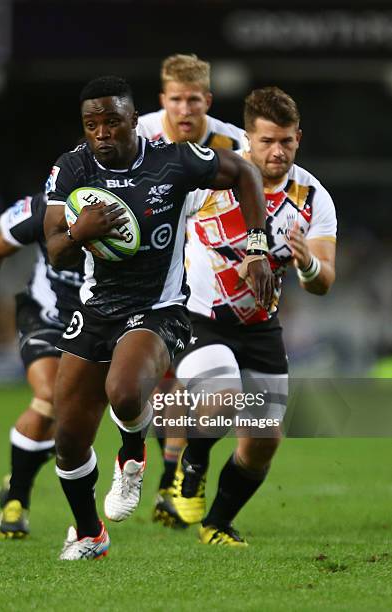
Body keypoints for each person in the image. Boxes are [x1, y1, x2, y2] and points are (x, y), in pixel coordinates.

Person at [43, 74, 274, 560]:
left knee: (124, 392)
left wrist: (257, 249)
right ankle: (89, 534)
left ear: (134, 120)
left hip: (159, 308)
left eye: (112, 122)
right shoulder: (71, 169)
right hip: (97, 306)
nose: (101, 133)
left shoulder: (174, 160)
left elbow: (246, 173)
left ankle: (132, 451)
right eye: (91, 125)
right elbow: (56, 251)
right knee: (67, 437)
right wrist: (81, 231)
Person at [165, 86, 337, 546]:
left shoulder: (313, 197)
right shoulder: (211, 176)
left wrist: (307, 264)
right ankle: (193, 467)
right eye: (266, 141)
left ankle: (216, 524)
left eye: (286, 141)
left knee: (264, 440)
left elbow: (324, 282)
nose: (277, 151)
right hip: (198, 318)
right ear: (247, 137)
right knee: (220, 400)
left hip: (261, 327)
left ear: (299, 137)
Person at [137, 53, 247, 522]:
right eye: (176, 100)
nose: (185, 109)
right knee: (162, 380)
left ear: (209, 100)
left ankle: (173, 476)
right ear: (163, 99)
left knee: (185, 378)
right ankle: (169, 473)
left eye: (194, 100)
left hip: (205, 274)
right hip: (147, 269)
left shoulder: (234, 144)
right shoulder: (138, 134)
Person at [0, 192, 83, 539]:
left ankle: (17, 478)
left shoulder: (133, 206)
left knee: (74, 421)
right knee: (49, 397)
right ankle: (17, 500)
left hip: (101, 324)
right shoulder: (42, 207)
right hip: (47, 317)